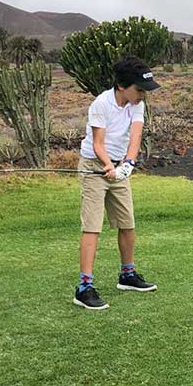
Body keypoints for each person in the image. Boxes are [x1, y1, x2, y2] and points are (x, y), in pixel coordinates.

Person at [73, 54, 160, 310]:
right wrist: (109, 166)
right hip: (94, 167)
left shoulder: (136, 104)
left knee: (127, 223)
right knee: (92, 226)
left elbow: (135, 137)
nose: (142, 94)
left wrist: (128, 165)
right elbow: (98, 144)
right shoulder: (101, 104)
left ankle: (127, 275)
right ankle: (84, 287)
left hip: (119, 167)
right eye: (139, 89)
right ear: (122, 86)